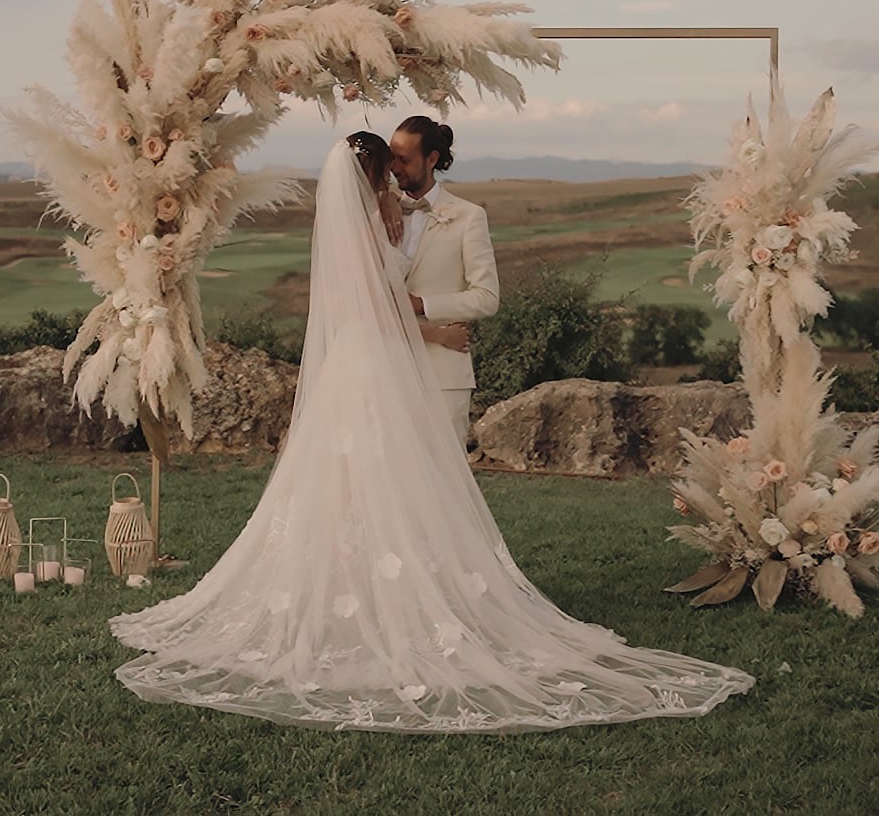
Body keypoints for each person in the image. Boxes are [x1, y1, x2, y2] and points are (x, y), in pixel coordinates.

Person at [108, 136, 752, 733]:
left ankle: (361, 590)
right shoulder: (367, 231)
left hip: (358, 368)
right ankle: (381, 599)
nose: (395, 178)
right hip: (377, 367)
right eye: (386, 171)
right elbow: (384, 309)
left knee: (360, 485)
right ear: (372, 177)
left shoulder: (362, 226)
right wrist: (437, 332)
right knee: (382, 482)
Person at [387, 117, 493, 442]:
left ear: (431, 159)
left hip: (443, 376)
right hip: (385, 369)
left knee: (445, 481)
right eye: (392, 157)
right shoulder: (379, 214)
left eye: (404, 159)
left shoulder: (468, 217)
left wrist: (422, 304)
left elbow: (486, 297)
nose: (395, 167)